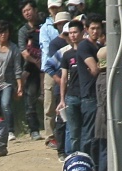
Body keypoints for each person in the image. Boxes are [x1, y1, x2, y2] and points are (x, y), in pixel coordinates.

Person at [59, 16, 100, 157]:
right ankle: (71, 157)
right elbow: (64, 78)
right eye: (70, 33)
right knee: (73, 130)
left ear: (82, 32)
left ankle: (82, 156)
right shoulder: (67, 54)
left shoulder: (94, 48)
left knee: (85, 130)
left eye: (75, 32)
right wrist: (62, 99)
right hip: (73, 96)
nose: (73, 35)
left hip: (85, 95)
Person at [42, 10, 73, 161]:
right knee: (62, 120)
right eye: (67, 34)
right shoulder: (58, 47)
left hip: (75, 89)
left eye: (72, 33)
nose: (70, 37)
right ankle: (62, 151)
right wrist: (59, 80)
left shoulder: (81, 47)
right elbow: (49, 65)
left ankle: (71, 150)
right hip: (61, 88)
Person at [18, 1, 44, 140]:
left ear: (35, 9)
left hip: (48, 65)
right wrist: (36, 62)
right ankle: (34, 129)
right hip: (31, 68)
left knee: (49, 97)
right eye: (24, 11)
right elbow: (24, 52)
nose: (27, 13)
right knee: (30, 98)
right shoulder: (23, 30)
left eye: (28, 10)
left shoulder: (45, 24)